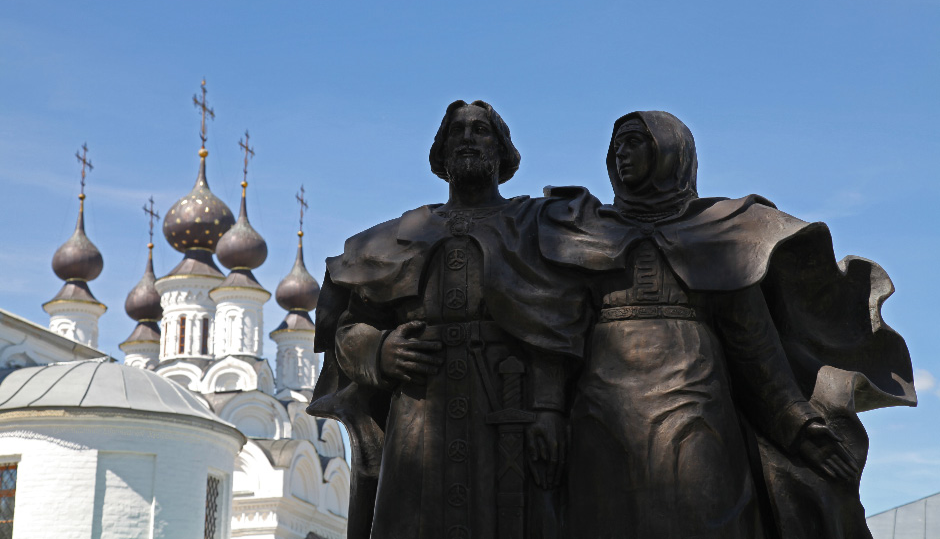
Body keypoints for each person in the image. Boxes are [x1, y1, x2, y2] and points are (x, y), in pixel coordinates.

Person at [539, 111, 916, 539]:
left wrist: (796, 423)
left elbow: (752, 343)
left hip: (697, 414)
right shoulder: (585, 232)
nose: (620, 153)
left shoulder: (719, 233)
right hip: (602, 418)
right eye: (616, 145)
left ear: (670, 152)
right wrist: (547, 410)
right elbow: (555, 335)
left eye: (634, 141)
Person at [308, 100, 590, 539]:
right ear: (440, 153)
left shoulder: (530, 224)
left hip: (508, 404)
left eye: (481, 131)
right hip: (421, 407)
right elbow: (351, 326)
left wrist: (550, 409)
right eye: (456, 132)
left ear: (502, 152)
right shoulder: (399, 236)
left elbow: (554, 319)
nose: (467, 139)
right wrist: (381, 352)